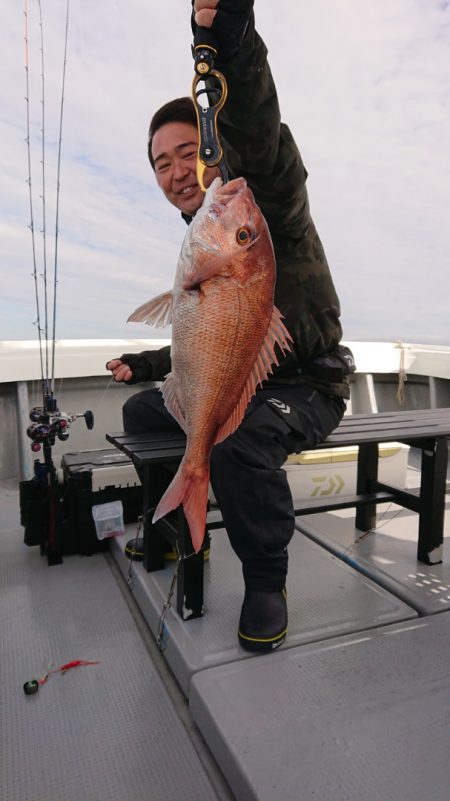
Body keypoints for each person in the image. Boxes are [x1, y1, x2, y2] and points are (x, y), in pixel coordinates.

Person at [107, 0, 354, 653]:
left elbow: (258, 123)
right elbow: (206, 339)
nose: (173, 172)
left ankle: (267, 580)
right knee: (140, 414)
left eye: (188, 152)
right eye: (159, 162)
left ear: (214, 145)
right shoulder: (206, 236)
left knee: (234, 445)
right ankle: (183, 528)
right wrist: (147, 362)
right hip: (238, 375)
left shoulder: (258, 196)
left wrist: (225, 34)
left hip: (306, 383)